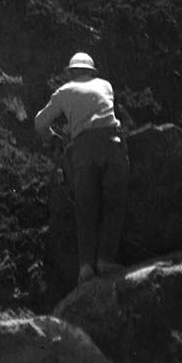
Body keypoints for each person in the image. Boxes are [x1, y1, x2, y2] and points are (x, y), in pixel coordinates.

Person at [34, 52, 129, 285]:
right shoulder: (105, 85)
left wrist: (51, 137)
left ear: (71, 72)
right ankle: (106, 259)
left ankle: (86, 267)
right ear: (92, 71)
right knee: (113, 203)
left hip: (83, 151)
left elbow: (39, 123)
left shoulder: (64, 91)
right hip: (111, 144)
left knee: (86, 209)